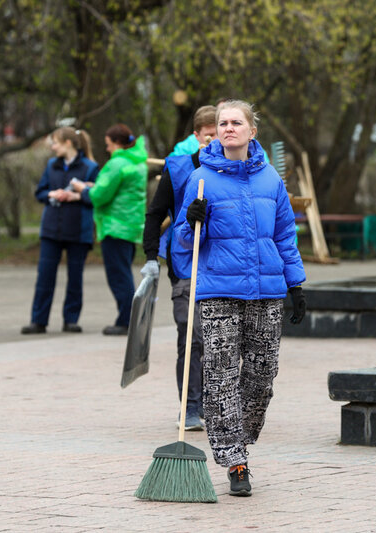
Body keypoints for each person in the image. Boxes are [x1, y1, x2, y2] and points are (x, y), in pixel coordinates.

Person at [173, 100, 307, 497]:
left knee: (262, 376)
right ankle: (235, 460)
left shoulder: (271, 180)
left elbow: (284, 235)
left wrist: (296, 284)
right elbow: (182, 242)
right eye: (222, 123)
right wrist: (192, 221)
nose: (228, 128)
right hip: (219, 292)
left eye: (236, 122)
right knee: (220, 375)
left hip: (267, 291)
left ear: (252, 130)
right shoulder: (201, 179)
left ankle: (237, 437)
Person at [142, 105, 217, 431]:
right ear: (198, 135)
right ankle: (190, 407)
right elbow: (155, 214)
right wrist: (149, 257)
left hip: (223, 266)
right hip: (186, 264)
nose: (214, 140)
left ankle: (220, 405)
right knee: (192, 337)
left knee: (221, 341)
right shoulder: (178, 168)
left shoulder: (238, 168)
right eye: (210, 134)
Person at [21, 128, 99, 334]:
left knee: (75, 277)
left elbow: (97, 198)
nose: (52, 147)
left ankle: (71, 320)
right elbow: (40, 192)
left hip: (78, 231)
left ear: (68, 143)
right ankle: (38, 320)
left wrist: (77, 196)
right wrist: (52, 194)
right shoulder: (51, 166)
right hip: (51, 230)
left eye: (54, 143)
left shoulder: (90, 167)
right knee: (45, 276)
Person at [72, 124, 147, 335]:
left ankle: (126, 321)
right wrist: (93, 187)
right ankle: (130, 318)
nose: (106, 149)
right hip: (130, 226)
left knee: (118, 277)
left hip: (114, 226)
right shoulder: (138, 162)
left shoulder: (117, 163)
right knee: (124, 273)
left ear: (115, 143)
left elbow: (100, 196)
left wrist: (83, 190)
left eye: (107, 145)